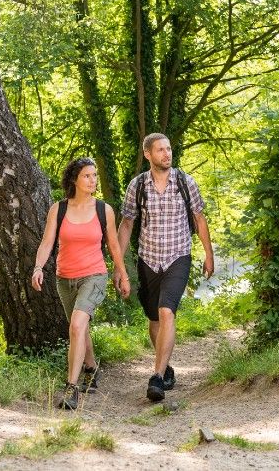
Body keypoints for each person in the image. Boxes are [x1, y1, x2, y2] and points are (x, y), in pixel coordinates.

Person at [116, 133, 214, 402]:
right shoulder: (137, 186)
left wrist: (209, 253)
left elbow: (199, 218)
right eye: (160, 150)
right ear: (148, 154)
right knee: (154, 319)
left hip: (178, 256)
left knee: (166, 310)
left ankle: (157, 376)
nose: (166, 154)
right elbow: (126, 225)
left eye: (169, 149)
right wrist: (118, 265)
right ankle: (166, 365)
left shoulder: (185, 182)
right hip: (148, 259)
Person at [31, 157, 131, 410]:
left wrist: (122, 273)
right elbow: (47, 243)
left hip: (94, 275)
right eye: (87, 175)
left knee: (76, 325)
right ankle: (90, 367)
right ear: (74, 179)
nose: (93, 180)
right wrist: (38, 267)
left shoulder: (103, 210)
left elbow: (113, 245)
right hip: (65, 278)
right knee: (81, 327)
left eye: (95, 175)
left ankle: (71, 389)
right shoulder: (59, 209)